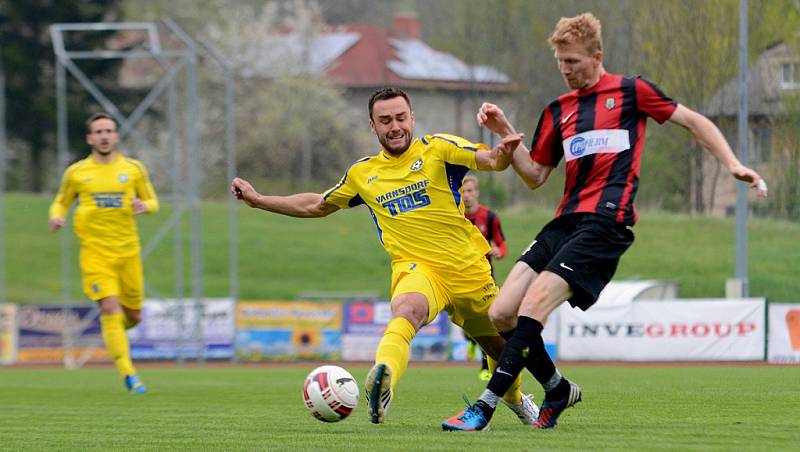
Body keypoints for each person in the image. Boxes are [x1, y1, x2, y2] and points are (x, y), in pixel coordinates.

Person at [442, 12, 768, 431]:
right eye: (560, 62)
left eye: (573, 62)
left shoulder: (632, 92)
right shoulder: (558, 109)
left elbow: (695, 121)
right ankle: (557, 389)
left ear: (597, 56)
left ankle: (483, 407)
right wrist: (505, 130)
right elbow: (535, 175)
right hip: (564, 222)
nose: (565, 70)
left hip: (606, 224)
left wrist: (733, 164)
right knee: (501, 313)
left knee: (534, 304)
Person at [231, 87, 539, 426]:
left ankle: (516, 401)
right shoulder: (363, 174)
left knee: (499, 349)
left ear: (412, 118)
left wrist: (505, 145)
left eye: (400, 118)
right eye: (385, 120)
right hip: (417, 269)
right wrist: (259, 200)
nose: (394, 127)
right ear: (372, 126)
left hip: (468, 269)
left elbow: (492, 161)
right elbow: (316, 204)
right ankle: (384, 378)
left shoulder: (440, 148)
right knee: (408, 310)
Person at [49, 112, 159, 394]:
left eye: (109, 131)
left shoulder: (133, 169)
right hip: (95, 254)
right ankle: (129, 374)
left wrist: (144, 206)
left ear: (116, 136)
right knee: (109, 306)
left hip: (128, 253)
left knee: (133, 316)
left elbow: (152, 200)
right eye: (98, 131)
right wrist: (57, 217)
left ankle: (113, 332)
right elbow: (60, 202)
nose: (104, 136)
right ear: (90, 138)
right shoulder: (77, 173)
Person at [461, 174, 507, 381]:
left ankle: (484, 367)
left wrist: (499, 251)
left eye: (470, 191)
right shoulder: (455, 216)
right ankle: (469, 341)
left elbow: (501, 244)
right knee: (466, 325)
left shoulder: (489, 217)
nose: (466, 196)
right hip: (459, 277)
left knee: (489, 322)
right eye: (462, 191)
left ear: (477, 192)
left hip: (484, 277)